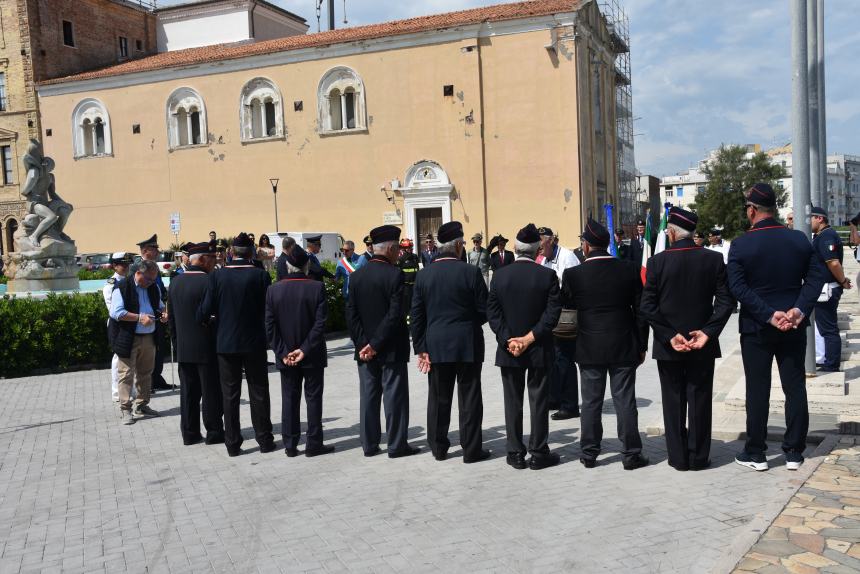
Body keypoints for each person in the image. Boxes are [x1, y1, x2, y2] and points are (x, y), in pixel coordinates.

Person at [727, 183, 823, 472]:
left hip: (757, 326)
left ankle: (756, 453)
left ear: (752, 210)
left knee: (758, 388)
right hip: (793, 325)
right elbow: (816, 279)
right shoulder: (798, 240)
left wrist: (769, 315)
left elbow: (738, 288)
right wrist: (797, 310)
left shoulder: (741, 244)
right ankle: (794, 452)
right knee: (795, 388)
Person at [640, 207, 735, 471]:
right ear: (692, 233)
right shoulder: (713, 260)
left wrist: (670, 335)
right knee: (700, 400)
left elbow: (647, 306)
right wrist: (708, 331)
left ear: (671, 232)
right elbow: (726, 301)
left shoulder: (658, 262)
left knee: (673, 402)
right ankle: (699, 457)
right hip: (702, 343)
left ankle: (678, 458)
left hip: (669, 345)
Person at [561, 218, 650, 470]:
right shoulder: (629, 269)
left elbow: (566, 311)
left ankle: (589, 453)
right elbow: (641, 311)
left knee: (591, 402)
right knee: (625, 400)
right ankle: (631, 454)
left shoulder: (573, 275)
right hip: (623, 345)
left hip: (589, 347)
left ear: (586, 246)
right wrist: (641, 344)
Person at [411, 221, 490, 464]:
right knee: (470, 399)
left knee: (438, 398)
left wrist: (421, 348)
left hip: (436, 345)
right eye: (462, 244)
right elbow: (484, 310)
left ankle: (438, 448)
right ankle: (471, 449)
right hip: (467, 343)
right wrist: (468, 323)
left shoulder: (424, 275)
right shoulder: (471, 272)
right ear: (457, 246)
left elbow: (417, 316)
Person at [487, 223, 562, 470]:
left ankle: (515, 452)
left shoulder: (499, 276)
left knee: (513, 401)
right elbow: (552, 314)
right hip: (538, 348)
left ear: (515, 249)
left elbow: (493, 314)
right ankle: (539, 453)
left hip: (510, 349)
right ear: (537, 249)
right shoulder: (547, 276)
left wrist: (510, 339)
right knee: (538, 401)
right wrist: (530, 338)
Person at [197, 232, 275, 457]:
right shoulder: (260, 276)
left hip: (226, 342)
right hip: (254, 342)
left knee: (230, 393)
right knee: (258, 391)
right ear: (251, 252)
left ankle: (232, 442)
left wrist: (208, 321)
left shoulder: (217, 277)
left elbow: (205, 310)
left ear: (231, 252)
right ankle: (264, 439)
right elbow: (267, 311)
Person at [346, 225, 419, 458]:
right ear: (389, 248)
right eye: (397, 248)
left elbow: (351, 314)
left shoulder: (356, 277)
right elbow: (395, 313)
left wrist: (363, 344)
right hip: (390, 348)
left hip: (365, 350)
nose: (399, 252)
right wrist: (375, 344)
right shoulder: (394, 275)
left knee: (368, 396)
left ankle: (369, 444)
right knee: (394, 397)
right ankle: (396, 445)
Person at [266, 245, 334, 458]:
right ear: (306, 266)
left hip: (286, 356)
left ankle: (290, 444)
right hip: (312, 354)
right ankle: (313, 444)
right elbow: (320, 323)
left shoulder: (273, 290)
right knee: (313, 399)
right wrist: (304, 349)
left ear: (287, 266)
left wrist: (283, 352)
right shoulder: (316, 288)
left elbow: (269, 326)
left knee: (289, 398)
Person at [168, 242, 224, 446]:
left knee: (188, 394)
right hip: (207, 347)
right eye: (211, 259)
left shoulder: (175, 282)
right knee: (210, 392)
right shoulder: (209, 281)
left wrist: (177, 343)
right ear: (201, 260)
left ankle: (189, 433)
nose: (214, 263)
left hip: (184, 348)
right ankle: (214, 432)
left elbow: (172, 320)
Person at [108, 259, 167, 425]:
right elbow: (117, 313)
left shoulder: (153, 287)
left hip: (149, 336)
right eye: (148, 279)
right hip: (128, 337)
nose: (150, 283)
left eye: (153, 279)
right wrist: (140, 318)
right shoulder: (122, 287)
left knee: (146, 372)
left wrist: (163, 313)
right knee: (126, 374)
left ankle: (142, 405)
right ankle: (126, 409)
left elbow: (160, 305)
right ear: (138, 273)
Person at [537, 226, 580, 421]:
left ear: (551, 240)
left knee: (565, 360)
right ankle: (554, 397)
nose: (539, 246)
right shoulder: (545, 259)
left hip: (566, 318)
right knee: (552, 359)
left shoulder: (567, 257)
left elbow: (572, 288)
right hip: (552, 316)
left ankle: (569, 405)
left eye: (541, 242)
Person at [811, 207, 851, 372]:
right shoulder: (822, 235)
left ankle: (832, 364)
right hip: (823, 288)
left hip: (826, 290)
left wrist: (842, 281)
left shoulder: (827, 235)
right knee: (824, 327)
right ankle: (827, 359)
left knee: (828, 329)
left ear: (820, 218)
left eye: (811, 218)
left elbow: (833, 263)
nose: (809, 221)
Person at [137, 234, 171, 391]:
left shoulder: (154, 267)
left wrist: (164, 308)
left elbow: (160, 291)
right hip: (145, 317)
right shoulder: (138, 268)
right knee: (148, 350)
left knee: (159, 348)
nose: (157, 252)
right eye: (154, 249)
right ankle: (147, 381)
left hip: (157, 315)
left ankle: (156, 377)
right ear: (145, 250)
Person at [103, 252, 134, 402]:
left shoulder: (131, 281)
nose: (126, 267)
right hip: (117, 324)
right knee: (118, 358)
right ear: (115, 266)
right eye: (123, 264)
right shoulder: (111, 284)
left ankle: (130, 389)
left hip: (130, 323)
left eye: (128, 264)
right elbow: (113, 310)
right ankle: (117, 392)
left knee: (130, 357)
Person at [396, 238, 420, 315]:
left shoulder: (415, 257)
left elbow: (418, 270)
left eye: (411, 247)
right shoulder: (401, 259)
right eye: (409, 247)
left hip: (415, 286)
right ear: (405, 248)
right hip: (406, 287)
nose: (411, 249)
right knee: (407, 307)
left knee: (415, 306)